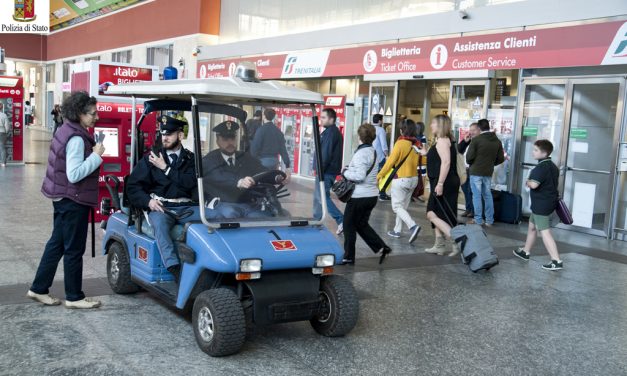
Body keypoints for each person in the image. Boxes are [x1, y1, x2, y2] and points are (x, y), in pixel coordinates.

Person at [126, 115, 226, 284]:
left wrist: (165, 168)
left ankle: (220, 263)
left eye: (170, 134)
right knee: (160, 224)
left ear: (180, 135)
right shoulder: (151, 158)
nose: (164, 137)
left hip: (188, 206)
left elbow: (189, 183)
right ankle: (175, 269)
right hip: (163, 207)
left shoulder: (191, 159)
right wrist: (148, 202)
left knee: (218, 217)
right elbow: (133, 187)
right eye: (162, 133)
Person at [28, 91, 105, 309]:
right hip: (73, 200)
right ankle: (74, 297)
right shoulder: (77, 138)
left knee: (56, 244)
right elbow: (74, 174)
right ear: (79, 114)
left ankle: (38, 288)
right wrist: (96, 155)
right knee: (73, 249)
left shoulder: (65, 129)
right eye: (92, 113)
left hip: (61, 197)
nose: (96, 117)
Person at [203, 120, 278, 218]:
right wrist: (239, 181)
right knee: (231, 215)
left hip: (248, 203)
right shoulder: (210, 159)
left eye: (233, 138)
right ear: (218, 141)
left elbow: (262, 171)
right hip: (223, 202)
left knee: (263, 218)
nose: (230, 143)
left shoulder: (245, 157)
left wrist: (277, 177)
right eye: (225, 139)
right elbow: (217, 176)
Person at [341, 123, 392, 265]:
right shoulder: (373, 151)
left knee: (348, 225)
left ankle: (348, 256)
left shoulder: (361, 153)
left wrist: (345, 172)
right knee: (361, 224)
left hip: (359, 197)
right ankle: (382, 247)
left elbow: (360, 176)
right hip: (371, 196)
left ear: (359, 137)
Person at [513, 140, 563, 271]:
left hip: (542, 204)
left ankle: (556, 260)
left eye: (535, 150)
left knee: (545, 232)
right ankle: (525, 251)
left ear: (544, 153)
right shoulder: (552, 166)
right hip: (545, 202)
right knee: (532, 228)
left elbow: (534, 184)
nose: (533, 152)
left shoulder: (541, 167)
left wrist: (528, 181)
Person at [420, 114, 461, 256]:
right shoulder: (442, 140)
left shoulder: (443, 141)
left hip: (445, 181)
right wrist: (425, 153)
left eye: (433, 123)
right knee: (438, 213)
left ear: (440, 125)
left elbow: (446, 162)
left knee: (431, 213)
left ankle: (456, 240)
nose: (431, 126)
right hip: (441, 181)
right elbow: (439, 159)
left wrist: (440, 183)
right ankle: (439, 244)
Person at [378, 119, 421, 244]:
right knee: (402, 208)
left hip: (401, 179)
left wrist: (380, 175)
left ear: (402, 130)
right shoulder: (417, 144)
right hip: (414, 179)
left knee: (397, 207)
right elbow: (423, 161)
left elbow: (390, 162)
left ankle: (413, 226)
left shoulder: (400, 143)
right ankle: (397, 230)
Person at [465, 118, 505, 226]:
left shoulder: (476, 140)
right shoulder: (497, 141)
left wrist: (474, 163)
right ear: (488, 126)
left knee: (477, 196)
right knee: (487, 195)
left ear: (479, 128)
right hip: (488, 172)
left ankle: (478, 219)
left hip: (475, 172)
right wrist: (491, 164)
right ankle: (489, 220)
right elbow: (501, 158)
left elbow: (469, 157)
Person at [313, 108, 344, 234]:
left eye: (324, 117)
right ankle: (316, 219)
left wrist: (319, 170)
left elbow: (325, 155)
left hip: (326, 172)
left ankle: (341, 220)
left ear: (332, 119)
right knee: (319, 197)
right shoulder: (329, 132)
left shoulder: (331, 133)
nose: (321, 120)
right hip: (326, 171)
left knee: (323, 198)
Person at [250, 108, 292, 179]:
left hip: (262, 162)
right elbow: (283, 150)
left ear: (264, 116)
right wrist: (287, 166)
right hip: (274, 162)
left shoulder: (260, 130)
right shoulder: (278, 132)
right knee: (271, 181)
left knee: (261, 182)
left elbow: (254, 148)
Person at [457, 122, 480, 218]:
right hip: (464, 169)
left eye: (473, 130)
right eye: (470, 130)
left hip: (473, 169)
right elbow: (459, 150)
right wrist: (465, 141)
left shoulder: (479, 142)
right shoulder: (469, 140)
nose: (471, 132)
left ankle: (473, 211)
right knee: (465, 190)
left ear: (479, 130)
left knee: (471, 191)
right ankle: (468, 209)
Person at [372, 114, 390, 201]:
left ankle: (373, 192)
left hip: (370, 156)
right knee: (383, 175)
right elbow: (383, 144)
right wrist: (387, 155)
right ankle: (382, 194)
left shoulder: (369, 128)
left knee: (373, 175)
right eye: (382, 120)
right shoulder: (380, 130)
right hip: (380, 157)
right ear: (379, 121)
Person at [413, 121, 428, 203]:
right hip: (421, 160)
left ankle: (414, 194)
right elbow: (424, 149)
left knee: (415, 176)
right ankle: (420, 194)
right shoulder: (422, 137)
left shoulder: (413, 137)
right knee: (422, 177)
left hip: (414, 160)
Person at [0, 103, 10, 167]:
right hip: (2, 132)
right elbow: (7, 126)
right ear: (1, 108)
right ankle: (3, 163)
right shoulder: (4, 115)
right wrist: (6, 132)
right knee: (2, 148)